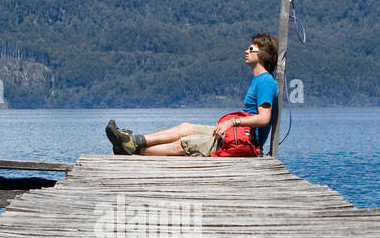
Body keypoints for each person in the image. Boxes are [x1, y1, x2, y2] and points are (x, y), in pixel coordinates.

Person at [106, 34, 279, 157]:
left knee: (185, 142)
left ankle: (130, 149)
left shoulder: (264, 82)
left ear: (262, 54)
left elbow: (264, 118)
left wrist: (232, 121)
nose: (246, 51)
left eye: (251, 48)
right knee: (185, 128)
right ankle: (130, 140)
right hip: (234, 134)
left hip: (244, 142)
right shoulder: (260, 80)